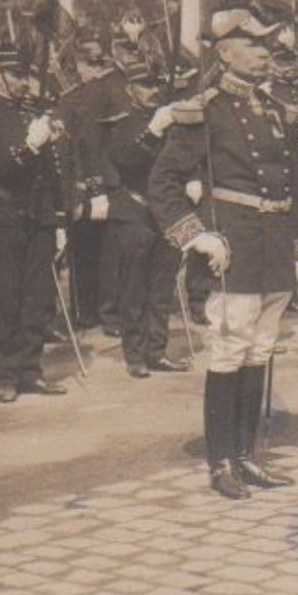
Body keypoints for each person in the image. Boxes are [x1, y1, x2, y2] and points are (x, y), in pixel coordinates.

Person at [150, 6, 298, 500]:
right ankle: (220, 462)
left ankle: (246, 456)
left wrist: (296, 244)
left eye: (267, 43)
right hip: (233, 244)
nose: (265, 52)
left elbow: (290, 183)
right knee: (230, 347)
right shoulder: (205, 110)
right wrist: (197, 236)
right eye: (254, 43)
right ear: (225, 52)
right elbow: (163, 184)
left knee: (260, 349)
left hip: (274, 245)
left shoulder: (276, 108)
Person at [0, 38, 70, 405]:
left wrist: (57, 220)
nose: (22, 82)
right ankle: (6, 375)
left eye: (25, 74)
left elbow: (53, 175)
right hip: (2, 216)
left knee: (37, 297)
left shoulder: (34, 115)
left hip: (38, 215)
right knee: (6, 298)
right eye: (14, 74)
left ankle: (31, 370)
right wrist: (29, 147)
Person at [101, 54, 187, 378]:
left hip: (167, 211)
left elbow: (184, 157)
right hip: (135, 209)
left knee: (163, 286)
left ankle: (157, 350)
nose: (151, 90)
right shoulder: (122, 124)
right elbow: (125, 161)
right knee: (134, 287)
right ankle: (135, 354)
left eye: (155, 84)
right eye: (144, 84)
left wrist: (190, 177)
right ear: (130, 89)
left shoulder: (172, 121)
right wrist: (153, 131)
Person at [57, 29, 124, 333]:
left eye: (101, 64)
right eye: (91, 64)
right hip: (84, 185)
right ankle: (86, 312)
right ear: (78, 65)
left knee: (112, 252)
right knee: (84, 251)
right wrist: (86, 187)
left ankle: (109, 313)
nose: (98, 70)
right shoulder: (71, 100)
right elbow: (74, 147)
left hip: (113, 181)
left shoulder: (113, 93)